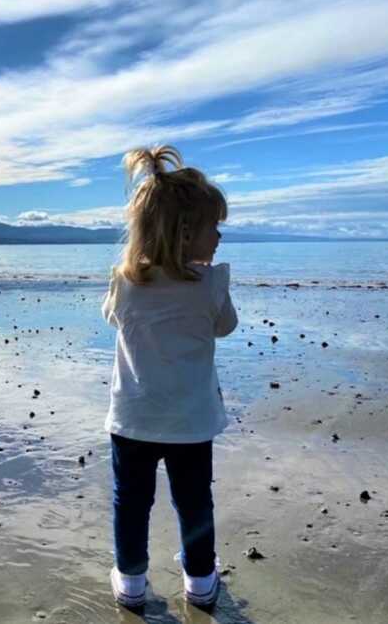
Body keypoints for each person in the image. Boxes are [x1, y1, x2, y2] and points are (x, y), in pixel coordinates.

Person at [102, 144, 237, 610]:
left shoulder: (125, 282)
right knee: (194, 501)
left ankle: (132, 580)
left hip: (133, 419)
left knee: (131, 503)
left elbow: (114, 320)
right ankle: (200, 579)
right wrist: (208, 283)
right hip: (192, 422)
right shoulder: (212, 285)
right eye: (212, 227)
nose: (218, 237)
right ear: (184, 234)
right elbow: (226, 327)